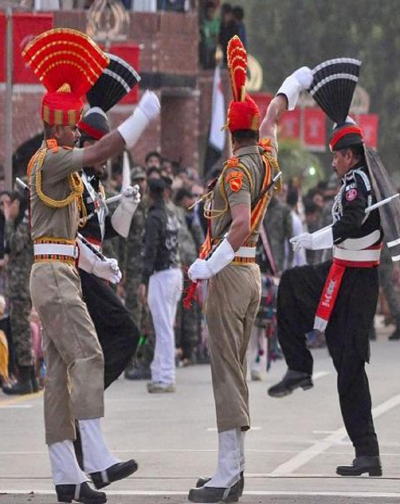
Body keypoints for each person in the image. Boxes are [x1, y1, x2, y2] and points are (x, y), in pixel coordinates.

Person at [23, 28, 160, 503]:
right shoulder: (53, 160)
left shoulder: (53, 163)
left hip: (58, 270)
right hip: (55, 278)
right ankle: (97, 457)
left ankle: (68, 476)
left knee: (59, 379)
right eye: (72, 127)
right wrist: (141, 117)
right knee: (90, 355)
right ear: (56, 128)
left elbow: (66, 238)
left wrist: (100, 266)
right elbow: (101, 151)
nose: (77, 132)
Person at [186, 35, 312, 503]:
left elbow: (239, 224)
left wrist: (208, 265)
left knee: (225, 371)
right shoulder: (267, 158)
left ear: (229, 133)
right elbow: (273, 116)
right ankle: (234, 468)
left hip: (231, 272)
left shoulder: (237, 171)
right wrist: (293, 84)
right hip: (251, 272)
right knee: (236, 369)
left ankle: (227, 473)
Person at [268, 58, 384, 478]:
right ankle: (299, 366)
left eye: (337, 155)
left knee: (349, 368)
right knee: (292, 287)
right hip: (343, 272)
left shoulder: (356, 183)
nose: (333, 162)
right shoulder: (354, 179)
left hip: (355, 281)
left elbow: (351, 222)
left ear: (349, 156)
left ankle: (367, 452)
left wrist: (316, 238)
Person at [77, 52, 141, 390]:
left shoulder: (96, 185)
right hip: (80, 272)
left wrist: (127, 208)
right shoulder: (74, 179)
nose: (106, 160)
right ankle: (88, 394)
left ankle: (87, 403)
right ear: (88, 146)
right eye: (102, 151)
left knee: (106, 341)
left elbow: (111, 233)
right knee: (125, 333)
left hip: (97, 271)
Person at [138, 178, 182, 393]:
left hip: (161, 275)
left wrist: (143, 280)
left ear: (149, 194)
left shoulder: (154, 217)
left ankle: (166, 377)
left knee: (163, 328)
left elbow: (150, 250)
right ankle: (159, 373)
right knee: (164, 325)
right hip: (175, 272)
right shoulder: (172, 214)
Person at [2, 191, 37, 395]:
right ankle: (30, 377)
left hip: (21, 287)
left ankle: (25, 378)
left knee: (21, 330)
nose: (5, 209)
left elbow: (13, 244)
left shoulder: (25, 222)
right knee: (22, 330)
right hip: (20, 286)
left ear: (17, 203)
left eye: (8, 204)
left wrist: (8, 221)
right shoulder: (24, 222)